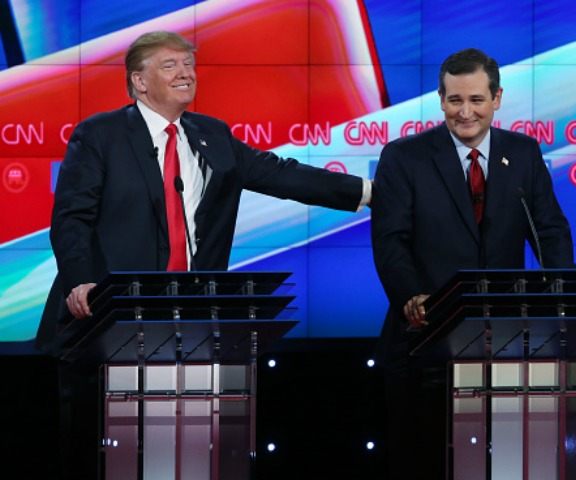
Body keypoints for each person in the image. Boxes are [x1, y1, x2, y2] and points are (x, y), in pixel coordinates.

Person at [36, 31, 370, 479]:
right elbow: (72, 217)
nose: (186, 73)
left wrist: (372, 193)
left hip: (190, 324)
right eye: (170, 64)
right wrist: (80, 279)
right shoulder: (101, 135)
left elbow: (281, 175)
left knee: (188, 456)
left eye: (188, 64)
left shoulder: (210, 135)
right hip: (108, 323)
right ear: (139, 81)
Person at [371, 48, 575, 479]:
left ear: (497, 98)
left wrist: (565, 296)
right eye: (454, 101)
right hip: (424, 341)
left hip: (505, 343)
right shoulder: (404, 157)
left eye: (476, 100)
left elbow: (550, 231)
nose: (465, 113)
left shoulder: (522, 153)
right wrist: (411, 295)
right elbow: (391, 241)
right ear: (441, 99)